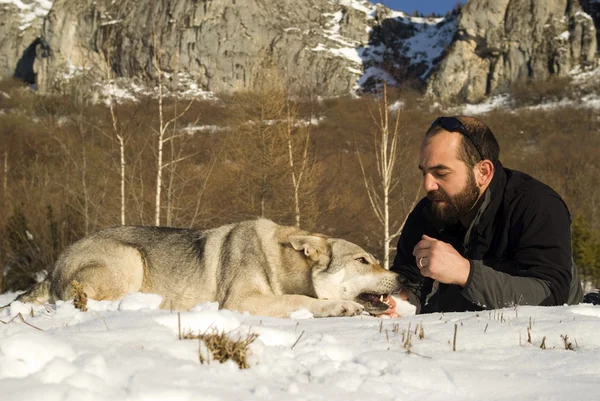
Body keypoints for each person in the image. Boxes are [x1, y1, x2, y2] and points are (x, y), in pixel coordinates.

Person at [391, 116, 584, 314]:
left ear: (483, 172)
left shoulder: (537, 205)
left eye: (441, 173)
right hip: (458, 332)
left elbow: (550, 295)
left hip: (550, 335)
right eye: (424, 173)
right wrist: (395, 303)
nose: (428, 185)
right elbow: (409, 280)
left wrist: (464, 273)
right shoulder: (430, 210)